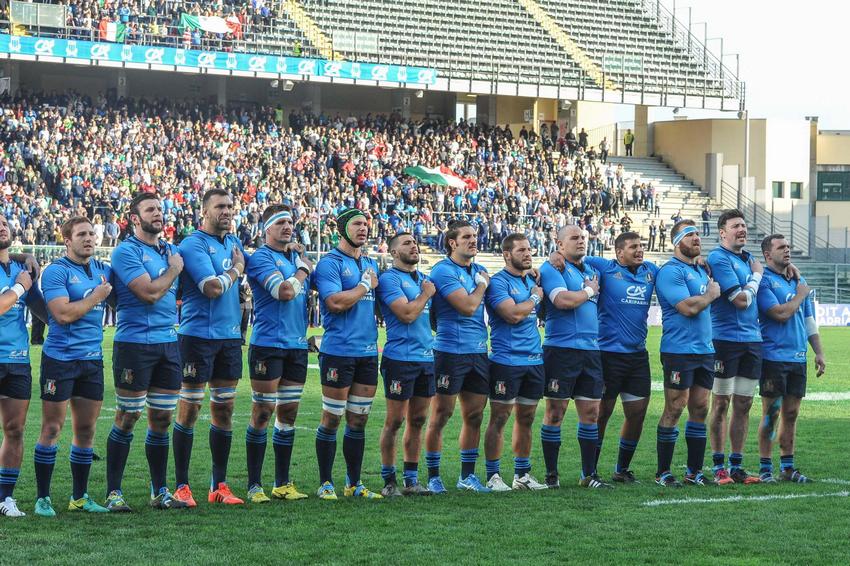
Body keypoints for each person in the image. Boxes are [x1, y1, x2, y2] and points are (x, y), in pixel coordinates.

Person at [105, 193, 187, 511]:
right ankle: (114, 493)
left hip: (168, 343)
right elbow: (149, 293)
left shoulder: (171, 251)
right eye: (150, 209)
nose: (158, 213)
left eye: (160, 209)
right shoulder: (127, 251)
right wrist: (174, 271)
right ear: (135, 218)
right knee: (128, 416)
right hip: (134, 345)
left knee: (161, 419)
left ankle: (159, 492)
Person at [34, 216, 113, 516]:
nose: (89, 238)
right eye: (81, 234)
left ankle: (79, 497)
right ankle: (43, 498)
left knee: (86, 429)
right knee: (52, 428)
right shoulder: (56, 271)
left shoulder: (103, 270)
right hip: (60, 360)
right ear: (67, 240)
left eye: (92, 233)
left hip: (92, 360)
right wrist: (96, 297)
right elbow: (63, 314)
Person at [173, 188, 247, 506]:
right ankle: (181, 486)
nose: (227, 211)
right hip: (197, 337)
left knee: (225, 410)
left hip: (229, 338)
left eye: (230, 206)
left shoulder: (233, 243)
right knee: (189, 409)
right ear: (204, 211)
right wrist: (236, 270)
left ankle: (219, 486)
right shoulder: (192, 244)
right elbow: (212, 288)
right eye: (220, 206)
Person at [244, 204, 313, 502]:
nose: (288, 227)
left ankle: (282, 483)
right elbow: (283, 292)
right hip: (268, 345)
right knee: (262, 411)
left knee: (288, 414)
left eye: (291, 222)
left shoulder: (295, 258)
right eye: (281, 222)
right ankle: (254, 485)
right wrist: (303, 268)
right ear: (267, 229)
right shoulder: (261, 258)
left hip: (296, 346)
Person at [313, 208, 383, 500]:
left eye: (366, 224)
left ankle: (354, 483)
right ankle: (325, 482)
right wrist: (365, 285)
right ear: (342, 229)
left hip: (367, 353)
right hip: (339, 352)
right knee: (332, 418)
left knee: (359, 419)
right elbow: (335, 303)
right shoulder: (329, 264)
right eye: (356, 224)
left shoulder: (371, 263)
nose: (363, 229)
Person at [538, 225, 611, 489]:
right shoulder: (551, 268)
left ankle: (588, 475)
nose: (581, 241)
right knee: (555, 412)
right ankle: (551, 475)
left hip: (591, 351)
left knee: (591, 413)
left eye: (583, 237)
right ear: (559, 244)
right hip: (561, 350)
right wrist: (590, 291)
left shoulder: (592, 269)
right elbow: (562, 301)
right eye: (574, 238)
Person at [424, 219, 492, 493]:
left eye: (475, 236)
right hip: (450, 352)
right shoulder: (442, 271)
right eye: (466, 237)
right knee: (441, 414)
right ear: (452, 243)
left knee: (475, 415)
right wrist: (482, 286)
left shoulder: (480, 270)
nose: (473, 240)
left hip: (478, 352)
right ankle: (433, 476)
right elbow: (467, 306)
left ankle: (466, 476)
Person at [586, 232, 658, 483]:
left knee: (637, 413)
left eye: (641, 246)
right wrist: (555, 256)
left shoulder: (651, 271)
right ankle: (591, 470)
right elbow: (576, 257)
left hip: (638, 355)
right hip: (607, 354)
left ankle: (621, 469)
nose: (640, 250)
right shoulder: (604, 268)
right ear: (619, 252)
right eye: (634, 247)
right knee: (601, 413)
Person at [653, 220, 720, 487]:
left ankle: (694, 472)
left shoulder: (701, 270)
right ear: (676, 241)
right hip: (678, 350)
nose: (696, 238)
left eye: (697, 235)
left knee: (701, 408)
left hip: (704, 349)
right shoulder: (671, 272)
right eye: (689, 235)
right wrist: (712, 295)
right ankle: (663, 472)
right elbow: (687, 307)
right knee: (675, 406)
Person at [756, 234, 826, 483]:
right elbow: (779, 314)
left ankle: (787, 468)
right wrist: (800, 294)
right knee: (771, 413)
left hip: (798, 357)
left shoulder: (799, 280)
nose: (787, 250)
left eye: (788, 247)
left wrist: (818, 352)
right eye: (781, 247)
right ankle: (765, 468)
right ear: (767, 254)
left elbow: (809, 321)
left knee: (792, 414)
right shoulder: (764, 281)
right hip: (773, 357)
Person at [482, 233, 547, 491]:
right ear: (507, 254)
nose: (528, 254)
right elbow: (512, 315)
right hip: (506, 361)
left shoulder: (531, 279)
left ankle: (522, 474)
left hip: (534, 359)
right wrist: (535, 297)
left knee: (527, 418)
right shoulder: (498, 283)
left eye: (529, 249)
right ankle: (493, 475)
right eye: (521, 250)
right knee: (499, 418)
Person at [376, 232, 436, 497]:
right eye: (406, 243)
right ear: (393, 252)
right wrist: (425, 295)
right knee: (395, 421)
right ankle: (389, 481)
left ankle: (411, 480)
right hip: (400, 358)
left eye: (414, 242)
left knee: (419, 420)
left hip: (426, 358)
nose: (413, 246)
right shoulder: (389, 279)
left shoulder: (424, 279)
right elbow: (407, 314)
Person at [706, 210, 763, 485]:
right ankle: (719, 467)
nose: (742, 229)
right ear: (722, 232)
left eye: (743, 225)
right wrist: (756, 278)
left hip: (752, 340)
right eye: (735, 226)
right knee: (720, 403)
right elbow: (740, 300)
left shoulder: (749, 259)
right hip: (725, 341)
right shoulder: (718, 257)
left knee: (744, 403)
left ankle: (736, 466)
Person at [0, 216, 36, 518]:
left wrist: (27, 257)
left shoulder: (19, 267)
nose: (1, 226)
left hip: (17, 360)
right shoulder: (21, 278)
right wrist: (21, 289)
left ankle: (5, 498)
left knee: (14, 429)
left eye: (3, 222)